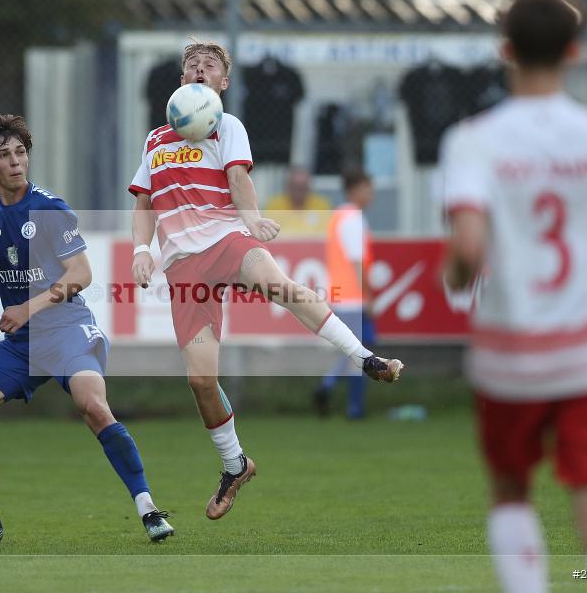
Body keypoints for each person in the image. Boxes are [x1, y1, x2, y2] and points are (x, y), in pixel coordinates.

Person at [129, 41, 404, 520]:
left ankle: (365, 358)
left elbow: (238, 178)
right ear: (180, 81)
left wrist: (251, 219)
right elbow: (143, 205)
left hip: (227, 240)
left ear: (223, 83)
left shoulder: (226, 124)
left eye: (209, 66)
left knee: (278, 284)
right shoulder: (156, 139)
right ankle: (235, 464)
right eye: (191, 65)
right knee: (200, 380)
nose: (198, 69)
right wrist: (140, 249)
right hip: (182, 265)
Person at [443, 0, 587, 591]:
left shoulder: (473, 140)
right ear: (574, 52)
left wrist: (452, 277)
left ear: (505, 52)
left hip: (511, 358)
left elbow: (469, 251)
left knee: (510, 492)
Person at [0, 113, 174, 545]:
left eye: (20, 152)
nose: (15, 162)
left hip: (67, 329)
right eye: (3, 155)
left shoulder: (48, 208)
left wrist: (28, 307)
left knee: (93, 408)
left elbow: (81, 273)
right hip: (21, 344)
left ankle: (149, 509)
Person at [313, 168, 376, 419]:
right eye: (367, 188)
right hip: (353, 297)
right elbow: (357, 261)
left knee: (357, 350)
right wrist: (368, 295)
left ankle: (345, 400)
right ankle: (345, 400)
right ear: (354, 189)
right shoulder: (352, 218)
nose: (371, 194)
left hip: (343, 295)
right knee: (360, 351)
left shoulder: (340, 216)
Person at [263, 166, 331, 236]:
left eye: (302, 187)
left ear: (308, 187)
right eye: (295, 187)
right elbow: (269, 234)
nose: (299, 192)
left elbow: (325, 234)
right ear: (288, 187)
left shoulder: (321, 205)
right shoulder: (275, 205)